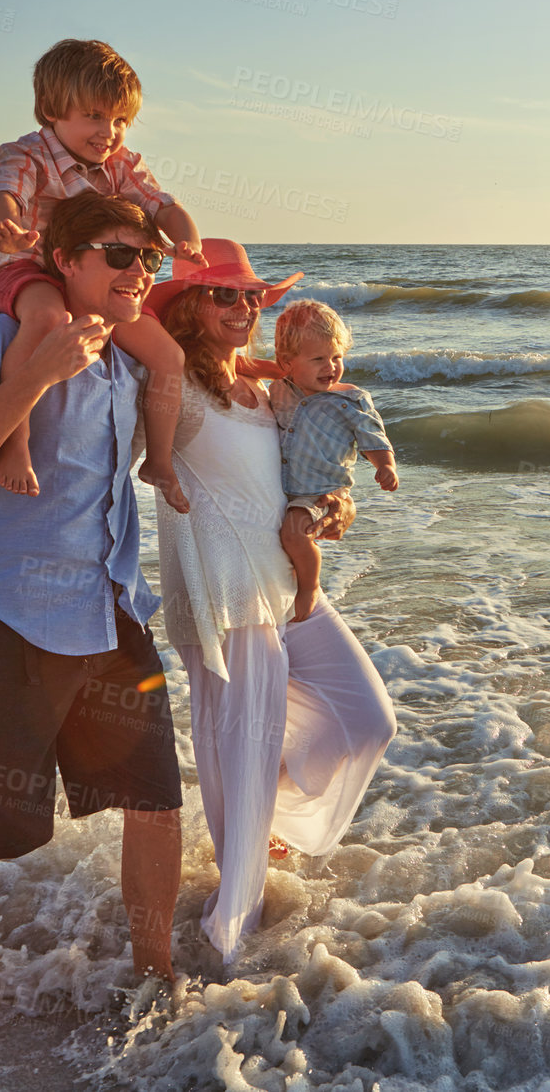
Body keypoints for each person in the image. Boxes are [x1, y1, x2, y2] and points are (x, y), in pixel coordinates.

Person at [0, 193, 184, 995]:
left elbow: (225, 373)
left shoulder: (134, 365)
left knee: (155, 800)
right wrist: (40, 376)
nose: (139, 272)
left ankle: (156, 978)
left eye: (149, 260)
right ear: (67, 261)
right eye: (120, 255)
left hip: (110, 606)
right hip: (3, 609)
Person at [145, 240, 398, 964]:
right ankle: (229, 950)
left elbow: (317, 465)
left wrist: (334, 504)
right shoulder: (176, 388)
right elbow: (139, 350)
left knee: (367, 720)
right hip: (228, 599)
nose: (243, 307)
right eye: (223, 294)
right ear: (191, 305)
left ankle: (268, 821)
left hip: (285, 591)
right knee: (244, 764)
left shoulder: (273, 390)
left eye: (252, 296)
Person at [0, 38, 203, 513]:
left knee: (168, 355)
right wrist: (11, 228)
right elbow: (5, 194)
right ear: (52, 110)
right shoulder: (25, 155)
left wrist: (188, 242)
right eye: (95, 116)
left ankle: (158, 463)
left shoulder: (120, 165)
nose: (110, 131)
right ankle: (13, 442)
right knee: (46, 320)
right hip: (30, 267)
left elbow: (162, 205)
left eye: (121, 120)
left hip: (96, 284)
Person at [267, 300, 399, 624]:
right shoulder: (277, 390)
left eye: (337, 357)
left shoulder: (350, 400)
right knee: (289, 533)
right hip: (283, 488)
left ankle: (309, 586)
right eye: (318, 359)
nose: (331, 367)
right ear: (287, 363)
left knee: (296, 533)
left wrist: (385, 466)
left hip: (320, 491)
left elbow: (375, 438)